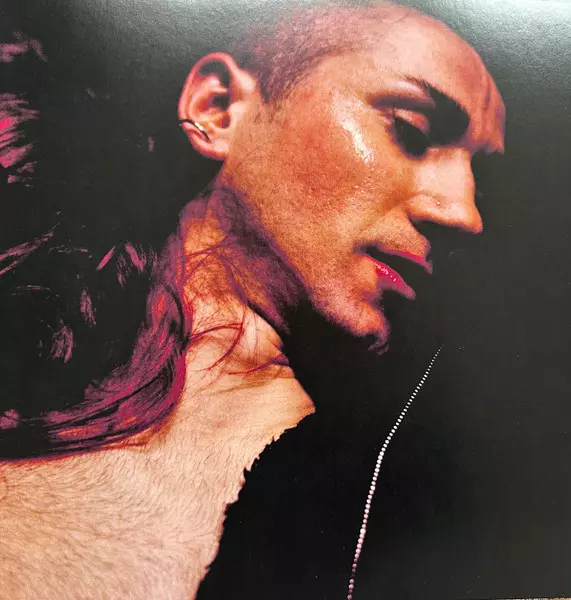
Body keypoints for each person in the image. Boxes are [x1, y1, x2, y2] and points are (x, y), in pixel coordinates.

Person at [0, 1, 505, 598]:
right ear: (218, 109)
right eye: (411, 130)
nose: (465, 214)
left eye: (483, 186)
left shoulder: (388, 506)